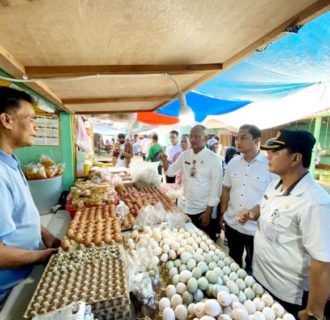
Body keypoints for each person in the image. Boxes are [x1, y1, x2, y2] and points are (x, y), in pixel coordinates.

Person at [238, 129, 330, 319]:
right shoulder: (276, 185)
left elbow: (322, 263)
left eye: (275, 152)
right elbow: (264, 207)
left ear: (296, 158)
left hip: (287, 294)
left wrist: (314, 311)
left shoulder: (314, 202)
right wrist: (252, 213)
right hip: (261, 276)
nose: (268, 155)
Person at [0, 87, 60, 303]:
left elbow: (21, 217)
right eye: (31, 119)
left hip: (24, 278)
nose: (36, 126)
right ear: (7, 120)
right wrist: (42, 256)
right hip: (8, 292)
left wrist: (46, 236)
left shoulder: (11, 162)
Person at [220, 124, 274, 273]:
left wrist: (253, 213)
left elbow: (273, 198)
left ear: (256, 140)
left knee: (254, 266)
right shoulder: (233, 163)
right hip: (233, 223)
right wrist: (222, 213)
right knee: (233, 259)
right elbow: (226, 189)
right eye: (237, 138)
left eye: (243, 138)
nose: (238, 142)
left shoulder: (269, 166)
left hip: (255, 229)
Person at [160, 125, 222, 233]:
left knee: (201, 242)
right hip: (183, 207)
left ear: (205, 139)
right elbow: (170, 172)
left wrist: (208, 212)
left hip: (201, 211)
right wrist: (165, 161)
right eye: (191, 137)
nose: (192, 140)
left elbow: (216, 188)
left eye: (196, 136)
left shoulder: (214, 159)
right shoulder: (185, 155)